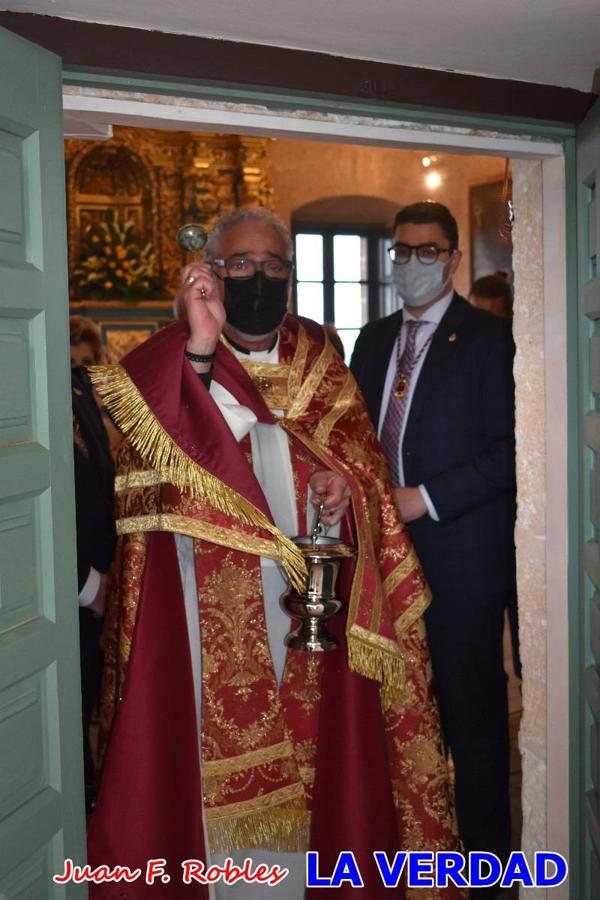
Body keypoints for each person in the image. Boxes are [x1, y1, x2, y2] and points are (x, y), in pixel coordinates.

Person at [87, 207, 464, 899]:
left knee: (325, 763)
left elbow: (360, 467)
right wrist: (200, 344)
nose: (258, 279)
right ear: (210, 274)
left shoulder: (322, 361)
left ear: (289, 276)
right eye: (240, 266)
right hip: (207, 614)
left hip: (313, 616)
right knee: (204, 772)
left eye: (273, 267)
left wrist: (339, 485)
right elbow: (150, 464)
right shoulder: (169, 363)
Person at [351, 202, 516, 887]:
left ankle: (486, 871)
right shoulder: (372, 336)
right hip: (381, 563)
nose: (411, 263)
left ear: (451, 258)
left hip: (461, 565)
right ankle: (413, 858)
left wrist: (425, 497)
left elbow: (510, 454)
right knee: (395, 721)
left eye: (427, 251)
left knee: (472, 725)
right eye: (401, 251)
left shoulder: (490, 339)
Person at [72, 364, 116, 812]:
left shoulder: (74, 392)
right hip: (70, 597)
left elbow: (101, 487)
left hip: (101, 583)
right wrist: (89, 585)